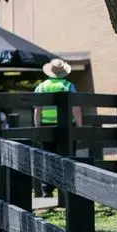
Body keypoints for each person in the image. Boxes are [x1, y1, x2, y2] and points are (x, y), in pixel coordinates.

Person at [33, 58, 83, 197]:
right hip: (67, 127)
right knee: (68, 157)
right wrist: (79, 127)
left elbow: (37, 110)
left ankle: (47, 190)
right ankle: (68, 189)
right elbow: (76, 109)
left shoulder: (41, 87)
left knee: (48, 157)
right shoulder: (68, 86)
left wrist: (38, 127)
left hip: (47, 126)